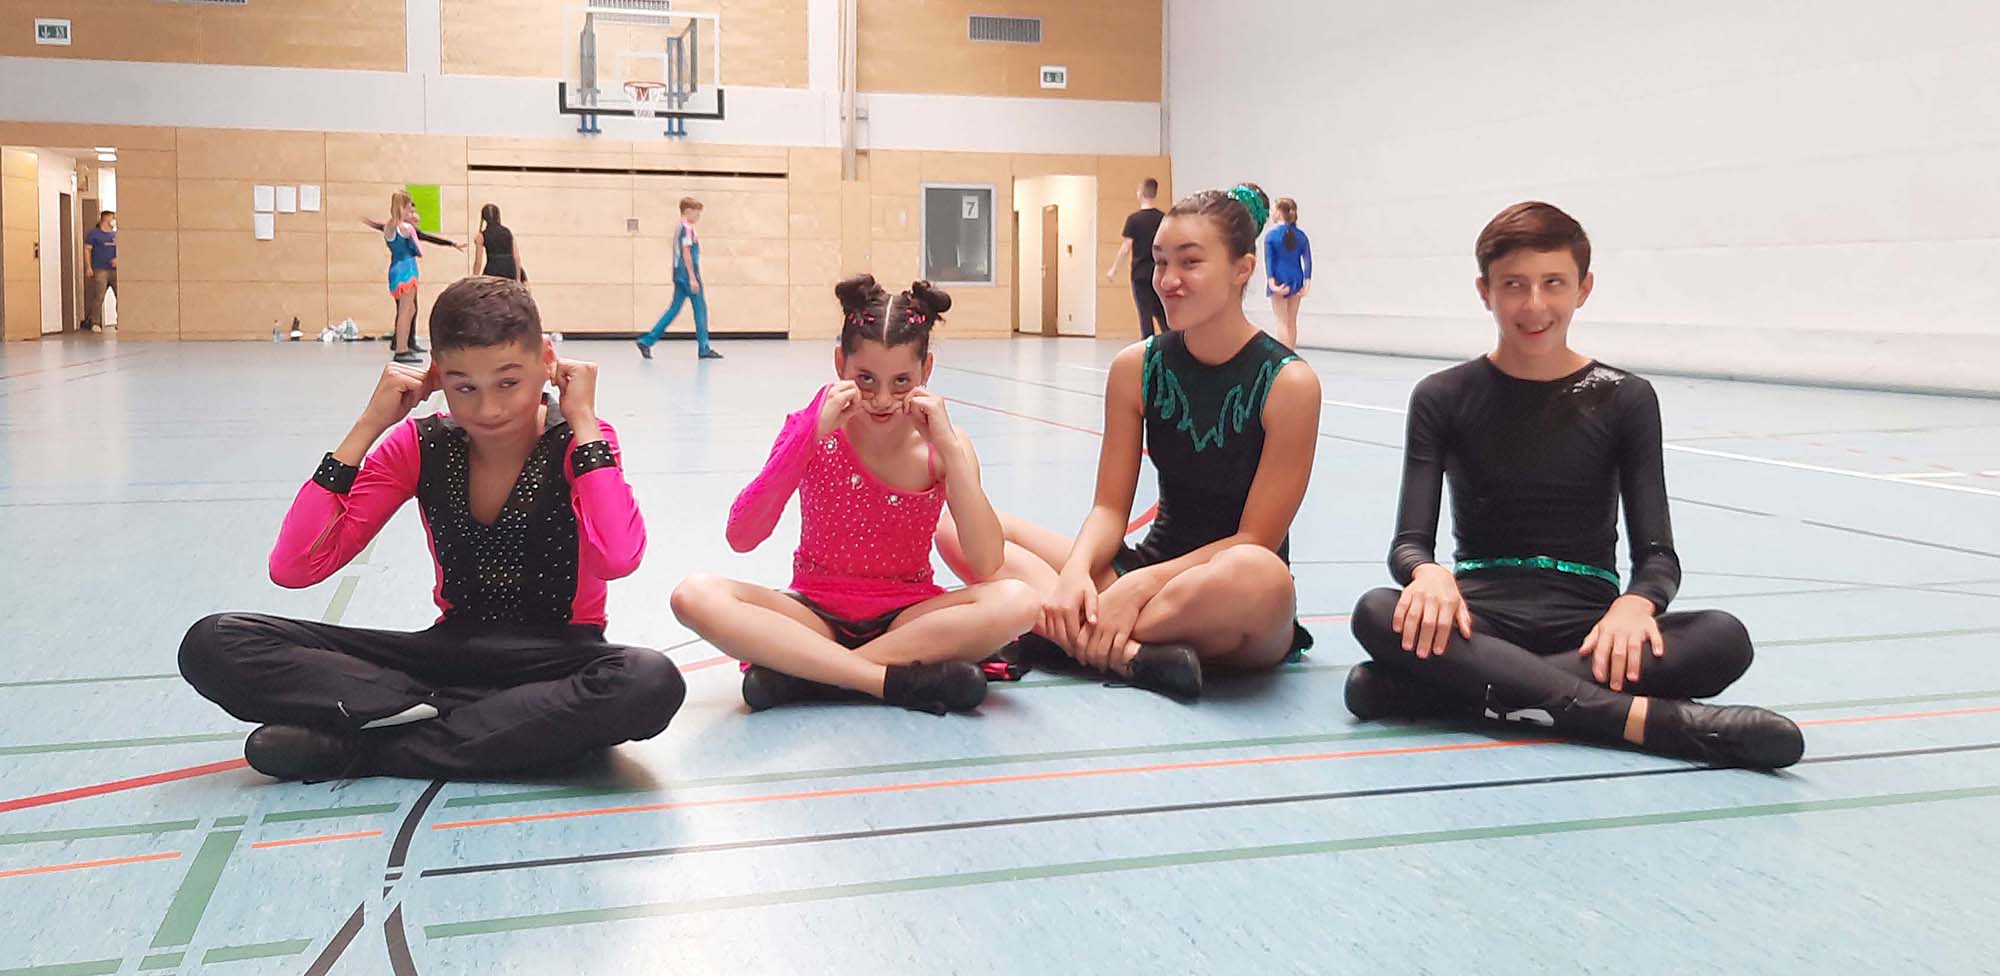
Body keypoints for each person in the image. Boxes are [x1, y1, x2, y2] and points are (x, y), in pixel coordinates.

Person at [1346, 201, 1804, 770]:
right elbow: (1409, 543)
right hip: (1480, 620)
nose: (1534, 305)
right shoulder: (1442, 396)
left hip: (1591, 630)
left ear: (1584, 288)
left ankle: (1447, 693)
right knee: (1376, 611)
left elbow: (1658, 557)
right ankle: (1642, 721)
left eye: (1553, 283)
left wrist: (1637, 603)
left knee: (1723, 637)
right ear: (1485, 291)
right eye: (1514, 285)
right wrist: (1427, 573)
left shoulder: (1625, 397)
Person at [178, 276, 683, 782]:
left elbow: (618, 556)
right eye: (465, 387)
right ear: (438, 376)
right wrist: (368, 425)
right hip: (446, 659)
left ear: (547, 361)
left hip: (558, 661)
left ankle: (367, 750)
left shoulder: (581, 442)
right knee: (215, 642)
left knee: (649, 681)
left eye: (508, 383)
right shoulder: (418, 445)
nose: (488, 409)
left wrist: (586, 421)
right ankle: (484, 726)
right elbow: (296, 567)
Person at [947, 183, 1319, 701]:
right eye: (1160, 262)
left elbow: (1254, 539)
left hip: (1229, 592)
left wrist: (1137, 588)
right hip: (1138, 570)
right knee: (959, 527)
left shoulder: (1289, 383)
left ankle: (1062, 633)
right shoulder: (1136, 367)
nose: (1167, 279)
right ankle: (1129, 653)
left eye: (1190, 262)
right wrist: (1078, 573)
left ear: (1243, 269)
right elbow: (1108, 508)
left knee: (1259, 574)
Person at [671, 276, 1038, 714]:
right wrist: (806, 439)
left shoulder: (944, 445)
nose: (882, 399)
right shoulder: (809, 428)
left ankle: (810, 674)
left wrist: (952, 454)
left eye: (901, 381)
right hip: (813, 615)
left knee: (1019, 601)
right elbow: (742, 535)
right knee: (693, 595)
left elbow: (986, 561)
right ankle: (884, 681)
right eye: (866, 379)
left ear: (927, 371)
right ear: (839, 363)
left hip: (908, 621)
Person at [362, 192, 464, 364]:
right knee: (406, 310)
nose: (412, 213)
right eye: (410, 209)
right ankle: (401, 349)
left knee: (409, 309)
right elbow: (418, 249)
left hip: (395, 267)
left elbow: (384, 230)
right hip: (407, 268)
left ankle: (403, 345)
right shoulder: (407, 229)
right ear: (404, 207)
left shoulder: (388, 227)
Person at [636, 196, 721, 360]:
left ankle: (647, 341)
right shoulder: (687, 228)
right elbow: (686, 253)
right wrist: (692, 277)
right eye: (696, 213)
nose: (698, 217)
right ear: (688, 211)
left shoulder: (679, 228)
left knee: (674, 309)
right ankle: (704, 347)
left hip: (678, 273)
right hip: (688, 273)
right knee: (700, 309)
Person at [1105, 178, 1168, 339]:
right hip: (1159, 273)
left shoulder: (1134, 220)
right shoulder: (1163, 218)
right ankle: (1173, 346)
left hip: (1140, 274)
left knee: (1145, 317)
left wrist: (1114, 269)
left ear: (1141, 193)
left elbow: (1126, 247)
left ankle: (1148, 349)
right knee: (1162, 314)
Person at [1264, 197, 1311, 348]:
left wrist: (1272, 282)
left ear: (1279, 212)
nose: (1271, 213)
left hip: (1279, 277)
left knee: (1281, 321)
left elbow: (1269, 261)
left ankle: (1285, 354)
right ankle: (1292, 352)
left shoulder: (1271, 236)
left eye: (1273, 210)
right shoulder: (1301, 236)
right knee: (1291, 321)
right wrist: (1307, 281)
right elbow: (1308, 260)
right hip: (1296, 277)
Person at [471, 203, 526, 284]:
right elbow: (516, 257)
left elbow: (478, 261)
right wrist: (518, 279)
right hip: (510, 271)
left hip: (493, 271)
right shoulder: (507, 232)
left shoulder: (481, 236)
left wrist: (474, 279)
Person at [81, 210, 116, 332]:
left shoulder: (115, 234)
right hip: (100, 269)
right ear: (105, 219)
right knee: (99, 296)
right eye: (113, 218)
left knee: (120, 296)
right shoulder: (94, 234)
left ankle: (121, 321)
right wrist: (88, 267)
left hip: (115, 270)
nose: (114, 221)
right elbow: (87, 250)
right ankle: (95, 322)